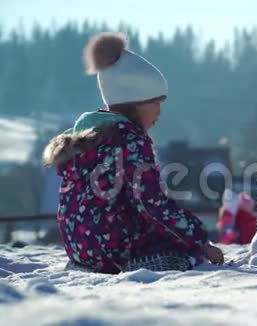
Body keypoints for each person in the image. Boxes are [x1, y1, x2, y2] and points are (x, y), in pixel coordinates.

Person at [42, 32, 223, 273]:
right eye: (156, 103)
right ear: (135, 103)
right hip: (117, 252)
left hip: (81, 250)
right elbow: (151, 203)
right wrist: (199, 240)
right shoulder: (131, 142)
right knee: (184, 254)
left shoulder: (86, 141)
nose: (159, 113)